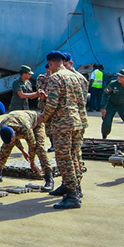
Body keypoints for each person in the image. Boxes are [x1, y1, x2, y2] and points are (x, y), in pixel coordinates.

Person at [39, 51, 86, 209]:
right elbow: (81, 102)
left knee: (64, 159)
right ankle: (74, 187)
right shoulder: (74, 76)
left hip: (62, 125)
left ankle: (72, 196)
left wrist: (42, 118)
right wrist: (82, 122)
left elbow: (52, 104)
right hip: (76, 122)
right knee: (74, 157)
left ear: (51, 63)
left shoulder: (55, 78)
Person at [0, 108, 55, 192]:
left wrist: (32, 162)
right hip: (18, 122)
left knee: (40, 148)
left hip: (36, 123)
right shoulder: (1, 127)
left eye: (13, 138)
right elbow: (14, 141)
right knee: (6, 147)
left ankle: (49, 177)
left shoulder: (25, 128)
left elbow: (32, 145)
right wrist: (23, 151)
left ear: (14, 133)